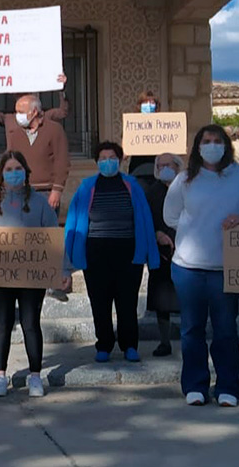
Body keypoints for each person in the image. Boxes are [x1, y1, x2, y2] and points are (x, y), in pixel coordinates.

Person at [164, 124, 239, 407]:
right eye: (206, 140)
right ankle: (195, 386)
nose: (212, 145)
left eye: (217, 140)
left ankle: (228, 387)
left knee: (225, 330)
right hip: (188, 267)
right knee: (191, 329)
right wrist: (195, 229)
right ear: (198, 147)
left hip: (228, 268)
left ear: (226, 145)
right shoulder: (184, 180)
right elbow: (170, 216)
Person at [0, 151, 69, 398]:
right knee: (2, 323)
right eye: (9, 169)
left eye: (17, 168)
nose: (14, 173)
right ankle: (0, 376)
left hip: (32, 274)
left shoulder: (40, 203)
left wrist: (63, 269)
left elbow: (53, 235)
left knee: (31, 323)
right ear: (2, 174)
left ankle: (35, 376)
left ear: (26, 171)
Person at [64, 141, 160, 363]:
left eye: (112, 158)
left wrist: (150, 254)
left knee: (127, 302)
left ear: (120, 159)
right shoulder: (86, 186)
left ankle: (130, 345)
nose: (108, 162)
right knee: (100, 301)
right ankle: (104, 345)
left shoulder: (133, 186)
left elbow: (144, 220)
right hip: (96, 252)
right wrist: (69, 257)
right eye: (103, 158)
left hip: (128, 252)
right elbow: (74, 220)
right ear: (97, 162)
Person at [0, 79, 70, 212]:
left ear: (34, 111)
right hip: (20, 191)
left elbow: (62, 162)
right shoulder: (15, 131)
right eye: (17, 111)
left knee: (45, 229)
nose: (18, 115)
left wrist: (57, 190)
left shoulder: (53, 128)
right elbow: (9, 161)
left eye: (21, 112)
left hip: (46, 192)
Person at [140, 152, 182, 357]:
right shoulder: (151, 192)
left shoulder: (187, 189)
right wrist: (157, 233)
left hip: (186, 250)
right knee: (161, 299)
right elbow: (146, 218)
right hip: (161, 252)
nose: (164, 168)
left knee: (187, 297)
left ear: (177, 166)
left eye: (169, 164)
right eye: (161, 164)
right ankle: (164, 341)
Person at [126, 91, 162, 179]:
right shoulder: (131, 125)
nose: (149, 105)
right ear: (140, 106)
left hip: (157, 170)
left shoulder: (163, 125)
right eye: (145, 102)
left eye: (152, 102)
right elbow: (125, 154)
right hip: (137, 169)